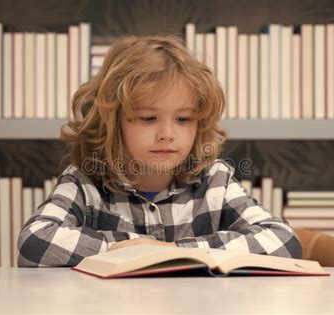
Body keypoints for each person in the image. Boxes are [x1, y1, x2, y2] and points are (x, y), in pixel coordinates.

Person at [17, 34, 302, 267]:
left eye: (183, 119)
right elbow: (35, 241)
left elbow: (283, 240)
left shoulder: (215, 181)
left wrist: (171, 251)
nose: (167, 134)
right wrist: (124, 250)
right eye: (147, 118)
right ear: (112, 123)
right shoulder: (85, 182)